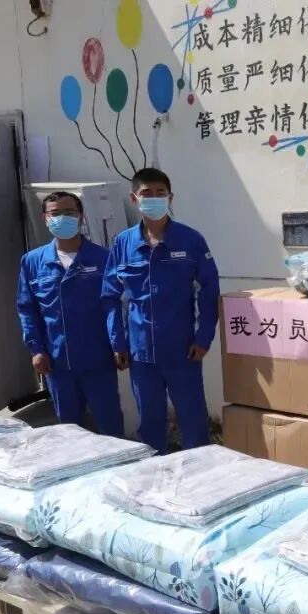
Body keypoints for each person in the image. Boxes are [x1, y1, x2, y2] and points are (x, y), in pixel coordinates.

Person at [102, 168, 219, 454]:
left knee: (193, 420)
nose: (153, 198)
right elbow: (110, 296)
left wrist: (203, 337)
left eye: (160, 193)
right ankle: (154, 472)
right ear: (134, 198)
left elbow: (209, 289)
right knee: (150, 423)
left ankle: (201, 470)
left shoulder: (190, 240)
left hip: (183, 350)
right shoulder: (123, 243)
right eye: (146, 193)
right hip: (141, 353)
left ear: (170, 197)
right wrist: (118, 342)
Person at [16, 191, 125, 436]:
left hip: (98, 359)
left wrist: (118, 344)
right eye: (55, 213)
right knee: (69, 431)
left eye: (69, 213)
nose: (62, 218)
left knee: (110, 426)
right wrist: (36, 350)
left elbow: (112, 305)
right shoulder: (32, 262)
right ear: (45, 218)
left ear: (81, 217)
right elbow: (27, 308)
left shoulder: (103, 258)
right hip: (57, 362)